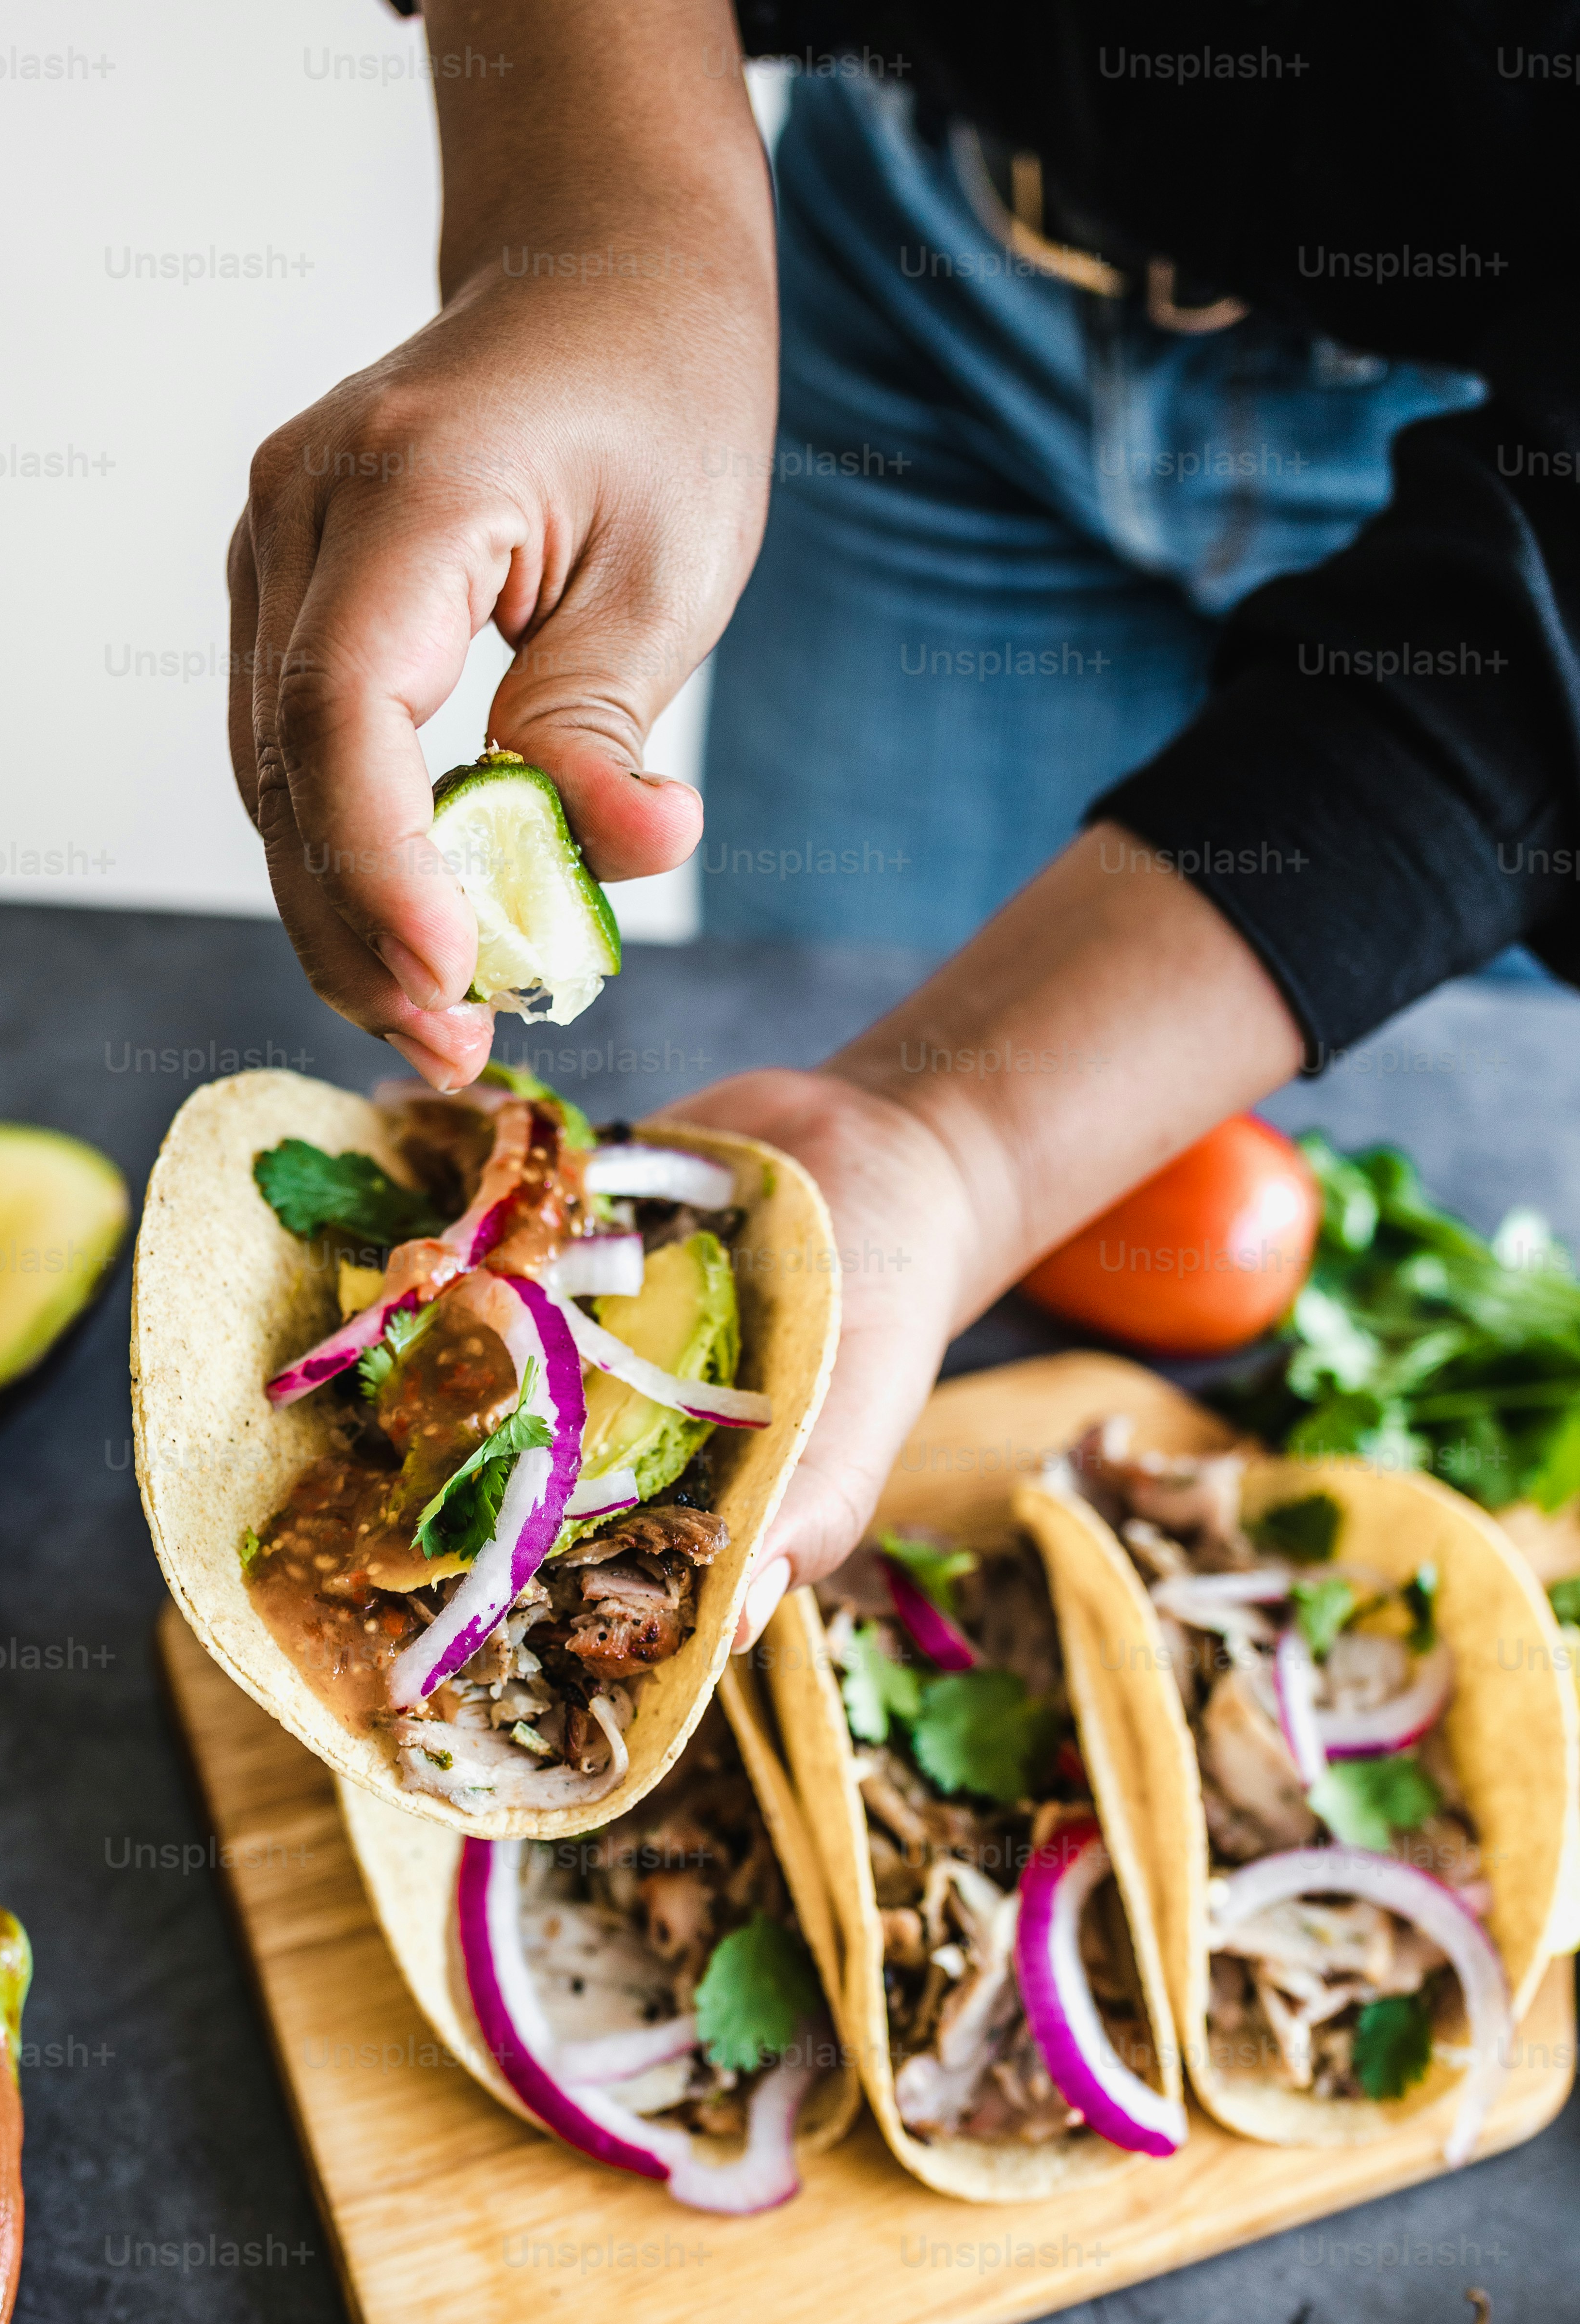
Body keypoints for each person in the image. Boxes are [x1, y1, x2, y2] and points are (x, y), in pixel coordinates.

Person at [225, 1, 1580, 1643]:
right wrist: (596, 240)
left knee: (1438, 1230)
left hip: (1512, 414)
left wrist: (975, 1144)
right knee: (821, 1124)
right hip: (906, 285)